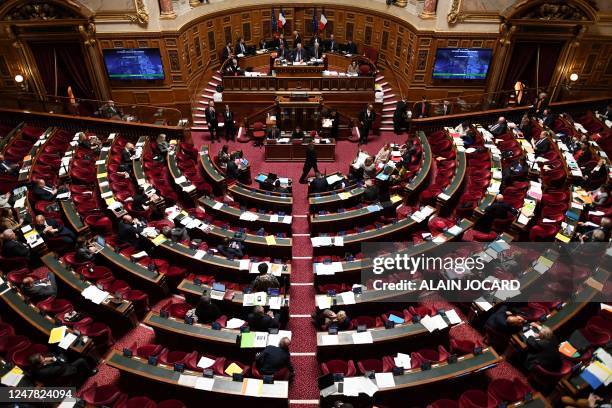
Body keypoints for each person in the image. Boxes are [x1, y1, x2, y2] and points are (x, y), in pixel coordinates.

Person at [28, 352, 97, 385]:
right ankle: (89, 373)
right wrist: (54, 359)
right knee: (81, 360)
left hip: (57, 371)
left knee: (65, 355)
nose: (43, 357)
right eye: (41, 358)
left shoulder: (34, 368)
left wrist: (53, 358)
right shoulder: (47, 371)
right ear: (40, 362)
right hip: (64, 372)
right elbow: (63, 366)